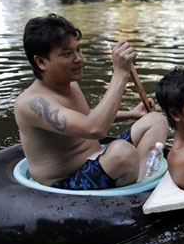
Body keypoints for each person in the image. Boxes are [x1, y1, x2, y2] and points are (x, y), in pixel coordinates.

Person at [14, 14, 168, 189]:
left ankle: (140, 181)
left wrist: (132, 114)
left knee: (156, 120)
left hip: (97, 157)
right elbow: (95, 129)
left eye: (78, 50)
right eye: (67, 54)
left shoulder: (70, 83)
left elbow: (85, 118)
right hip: (67, 180)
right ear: (41, 61)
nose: (78, 58)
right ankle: (135, 180)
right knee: (122, 152)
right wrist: (120, 74)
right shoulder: (32, 103)